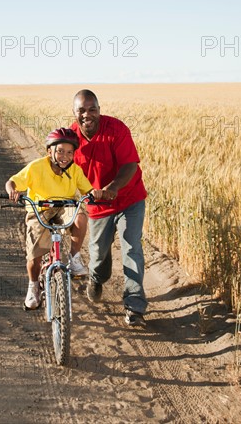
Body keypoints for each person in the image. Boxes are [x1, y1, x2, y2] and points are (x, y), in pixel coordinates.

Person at [70, 89, 148, 327]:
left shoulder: (117, 130)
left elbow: (130, 166)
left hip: (128, 200)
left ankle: (134, 304)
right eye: (81, 110)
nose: (87, 115)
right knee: (98, 255)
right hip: (97, 207)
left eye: (92, 109)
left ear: (99, 110)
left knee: (131, 247)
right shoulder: (70, 139)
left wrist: (113, 187)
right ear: (74, 113)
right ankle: (96, 279)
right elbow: (63, 170)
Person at [5, 127, 103, 310]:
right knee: (35, 255)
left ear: (74, 154)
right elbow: (12, 182)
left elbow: (87, 190)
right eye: (59, 151)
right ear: (50, 151)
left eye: (69, 152)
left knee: (80, 217)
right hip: (40, 209)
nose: (64, 156)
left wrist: (94, 193)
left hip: (65, 206)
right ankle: (33, 286)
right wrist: (13, 191)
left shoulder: (75, 170)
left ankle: (74, 258)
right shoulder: (36, 167)